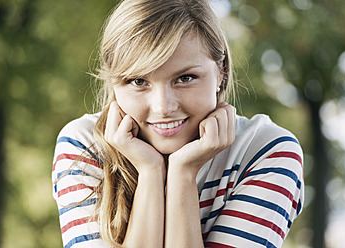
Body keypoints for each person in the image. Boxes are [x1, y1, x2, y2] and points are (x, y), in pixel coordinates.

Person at [52, 0, 304, 247]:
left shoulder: (265, 152)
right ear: (114, 83)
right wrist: (150, 172)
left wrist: (183, 173)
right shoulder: (85, 146)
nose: (163, 107)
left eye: (185, 78)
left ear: (221, 72)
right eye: (138, 81)